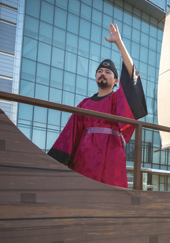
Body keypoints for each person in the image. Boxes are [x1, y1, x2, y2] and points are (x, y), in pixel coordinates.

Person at [48, 24, 147, 188]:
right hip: (84, 160)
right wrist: (61, 162)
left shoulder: (117, 99)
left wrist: (119, 44)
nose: (103, 73)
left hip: (112, 160)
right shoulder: (84, 105)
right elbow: (69, 136)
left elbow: (131, 78)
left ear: (116, 81)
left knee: (112, 203)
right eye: (100, 71)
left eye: (108, 72)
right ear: (95, 76)